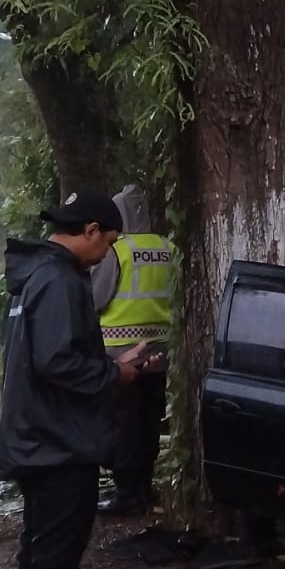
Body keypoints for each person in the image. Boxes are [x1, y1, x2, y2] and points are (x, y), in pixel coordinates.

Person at [0, 188, 159, 569]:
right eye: (108, 242)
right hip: (59, 444)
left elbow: (42, 354)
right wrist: (118, 371)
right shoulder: (62, 280)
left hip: (34, 437)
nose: (108, 252)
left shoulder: (32, 276)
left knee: (35, 556)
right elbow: (59, 362)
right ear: (89, 230)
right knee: (53, 565)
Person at [89, 184, 174, 517]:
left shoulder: (117, 250)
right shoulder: (168, 248)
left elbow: (97, 297)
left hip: (118, 354)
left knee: (123, 425)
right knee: (149, 423)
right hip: (158, 353)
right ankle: (144, 486)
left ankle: (126, 493)